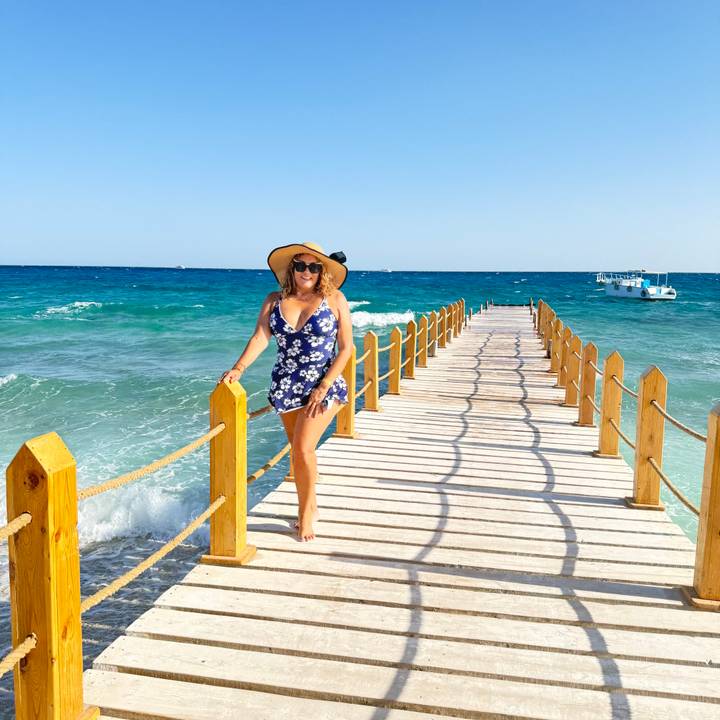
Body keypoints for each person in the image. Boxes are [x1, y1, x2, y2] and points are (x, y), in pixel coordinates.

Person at [217, 242, 352, 541]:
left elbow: (346, 349)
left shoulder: (334, 299)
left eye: (314, 267)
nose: (307, 271)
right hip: (286, 385)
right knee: (300, 452)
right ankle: (312, 505)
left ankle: (305, 516)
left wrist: (325, 384)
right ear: (292, 269)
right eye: (301, 265)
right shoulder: (273, 300)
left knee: (303, 448)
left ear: (322, 271)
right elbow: (260, 337)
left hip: (323, 385)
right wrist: (238, 368)